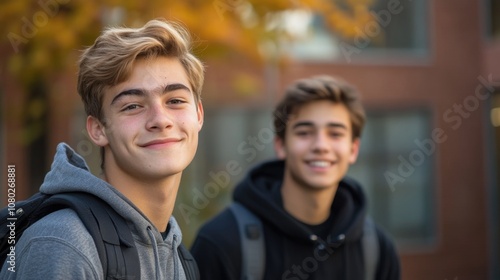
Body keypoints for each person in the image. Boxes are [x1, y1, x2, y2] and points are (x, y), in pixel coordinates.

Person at [0, 18, 204, 279]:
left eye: (175, 100)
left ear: (198, 115)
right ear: (98, 129)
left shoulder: (180, 258)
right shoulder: (64, 244)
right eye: (132, 106)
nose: (160, 120)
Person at [191, 75, 400, 279]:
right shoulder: (222, 241)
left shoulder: (377, 250)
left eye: (335, 134)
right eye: (304, 132)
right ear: (281, 146)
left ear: (353, 149)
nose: (321, 146)